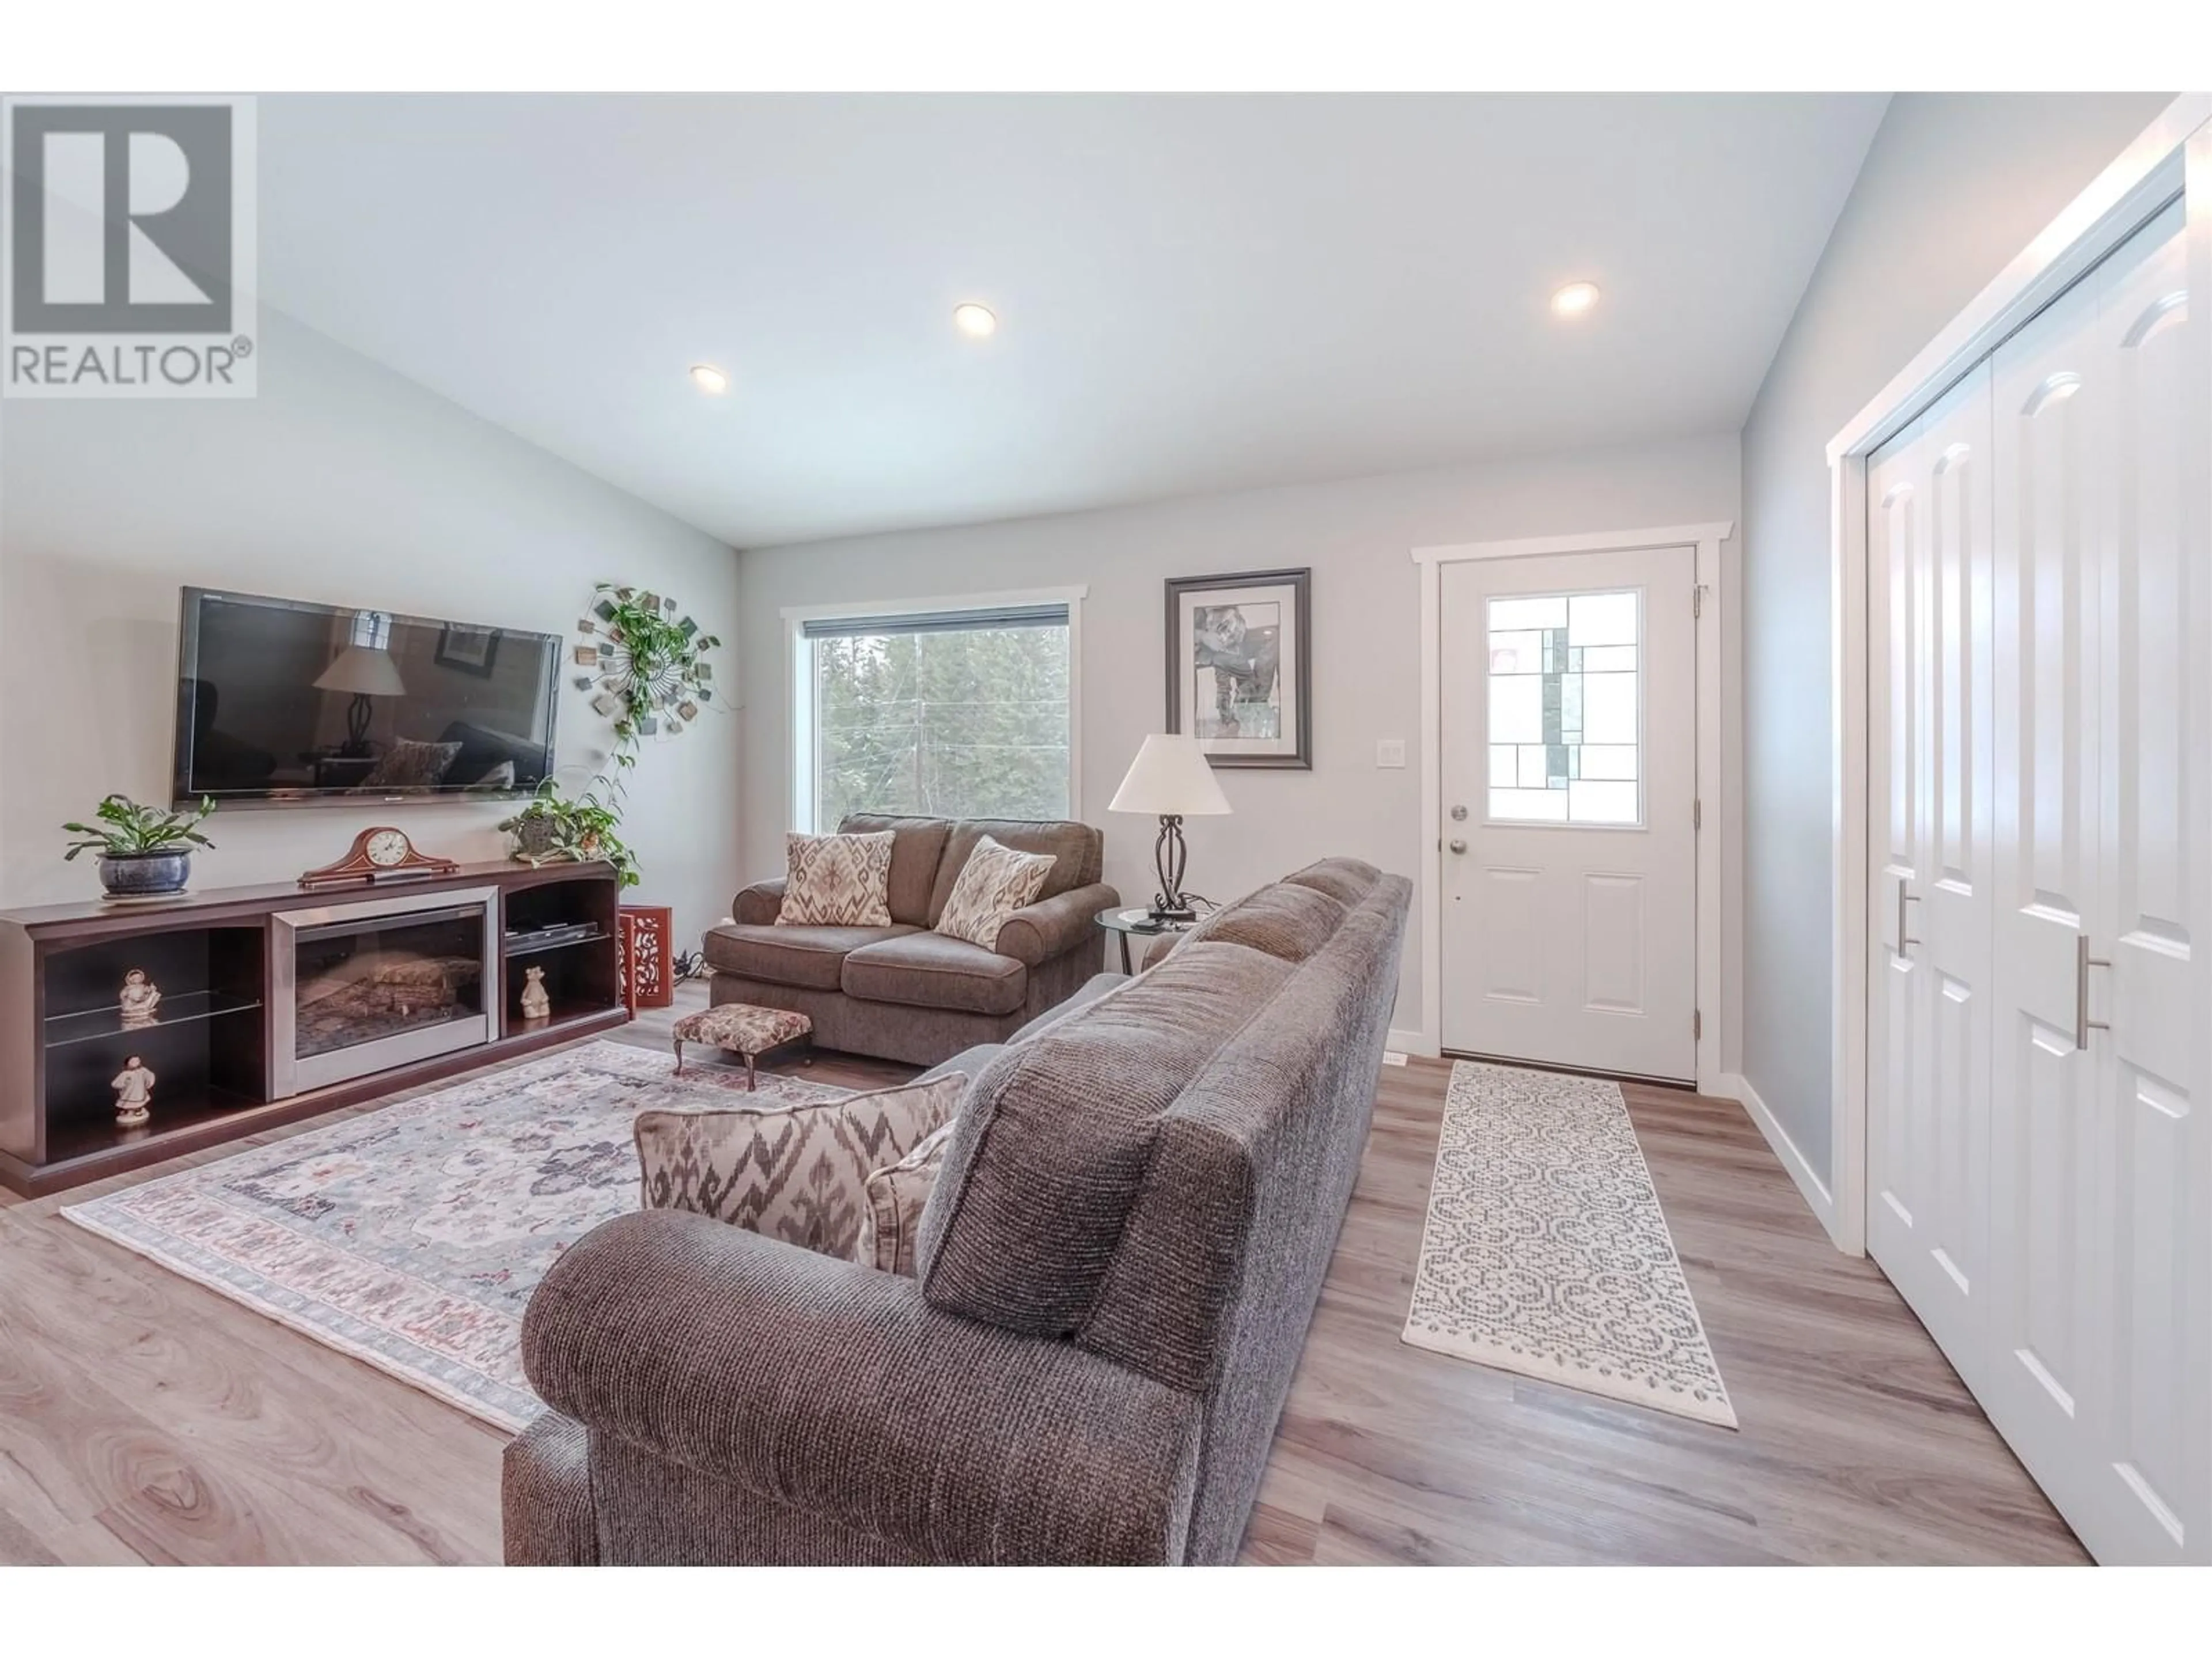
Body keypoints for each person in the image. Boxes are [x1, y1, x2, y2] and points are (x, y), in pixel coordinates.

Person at [1193, 605, 1281, 738]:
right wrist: (1201, 635)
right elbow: (1177, 627)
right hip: (1208, 644)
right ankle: (1231, 718)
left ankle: (1254, 704)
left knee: (1274, 636)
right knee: (1225, 682)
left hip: (1232, 636)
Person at [112, 1055, 157, 1127]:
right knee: (128, 1102)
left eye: (137, 1061)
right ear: (128, 1064)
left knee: (139, 1101)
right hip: (129, 1093)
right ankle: (128, 1111)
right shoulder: (125, 1074)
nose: (136, 1063)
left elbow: (150, 1076)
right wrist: (123, 1084)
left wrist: (148, 1081)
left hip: (140, 1091)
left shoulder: (143, 1071)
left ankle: (138, 1110)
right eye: (133, 1061)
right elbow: (115, 1084)